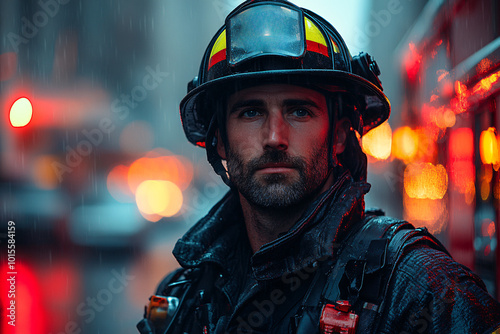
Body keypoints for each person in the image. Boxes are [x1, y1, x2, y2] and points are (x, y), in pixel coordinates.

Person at [137, 1, 500, 333]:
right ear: (220, 142)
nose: (274, 136)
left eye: (299, 111)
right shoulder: (184, 299)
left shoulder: (419, 291)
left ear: (339, 136)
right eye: (250, 112)